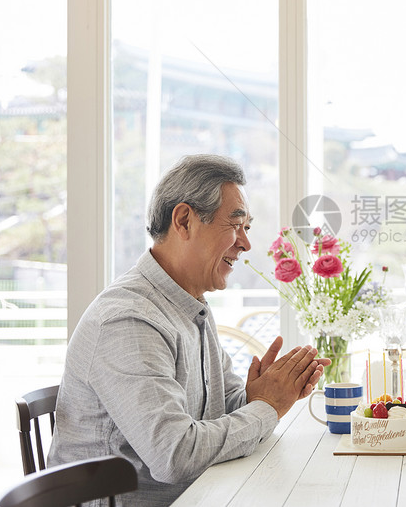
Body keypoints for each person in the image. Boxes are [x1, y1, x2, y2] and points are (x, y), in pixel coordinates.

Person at [48, 154, 329, 507]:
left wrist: (261, 396)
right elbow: (174, 454)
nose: (246, 243)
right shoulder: (128, 320)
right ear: (184, 220)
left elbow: (222, 410)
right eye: (236, 224)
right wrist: (266, 407)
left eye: (248, 228)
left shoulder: (190, 305)